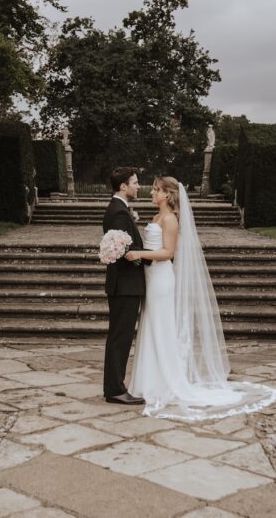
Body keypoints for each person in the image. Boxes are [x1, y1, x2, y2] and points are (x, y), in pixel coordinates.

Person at [125, 176, 276, 420]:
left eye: (156, 190)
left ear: (167, 195)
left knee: (160, 326)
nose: (152, 193)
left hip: (161, 278)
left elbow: (168, 253)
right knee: (151, 325)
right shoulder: (156, 217)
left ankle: (163, 382)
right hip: (150, 276)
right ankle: (148, 380)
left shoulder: (170, 219)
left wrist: (138, 254)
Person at [101, 166, 150, 405]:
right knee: (120, 337)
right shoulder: (119, 212)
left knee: (119, 336)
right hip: (125, 285)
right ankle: (115, 390)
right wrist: (158, 255)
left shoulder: (119, 209)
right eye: (135, 182)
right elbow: (125, 252)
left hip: (123, 285)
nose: (138, 186)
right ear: (123, 186)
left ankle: (114, 387)